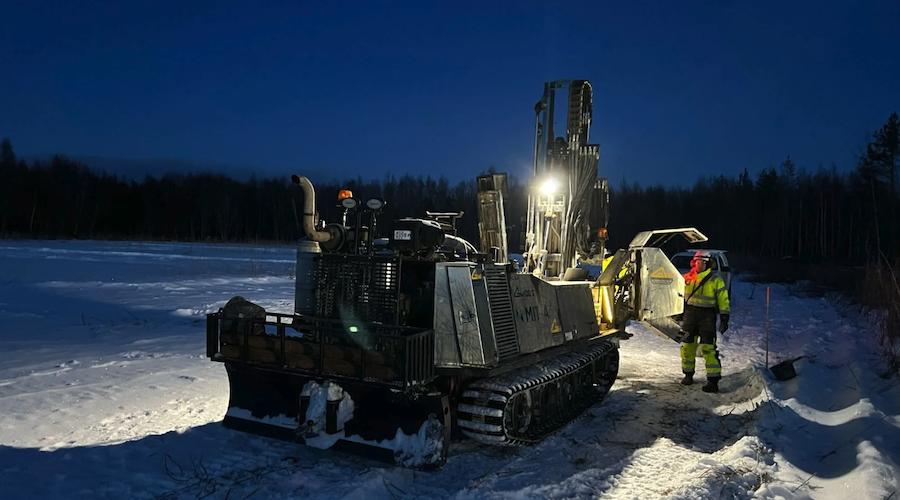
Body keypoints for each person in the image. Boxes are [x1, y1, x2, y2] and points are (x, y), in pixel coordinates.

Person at [680, 251, 730, 393]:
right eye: (697, 262)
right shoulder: (686, 278)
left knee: (708, 348)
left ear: (708, 264)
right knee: (687, 347)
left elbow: (723, 300)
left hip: (707, 317)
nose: (699, 265)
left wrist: (724, 317)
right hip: (689, 316)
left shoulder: (716, 280)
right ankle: (688, 374)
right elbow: (677, 295)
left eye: (702, 262)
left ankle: (713, 381)